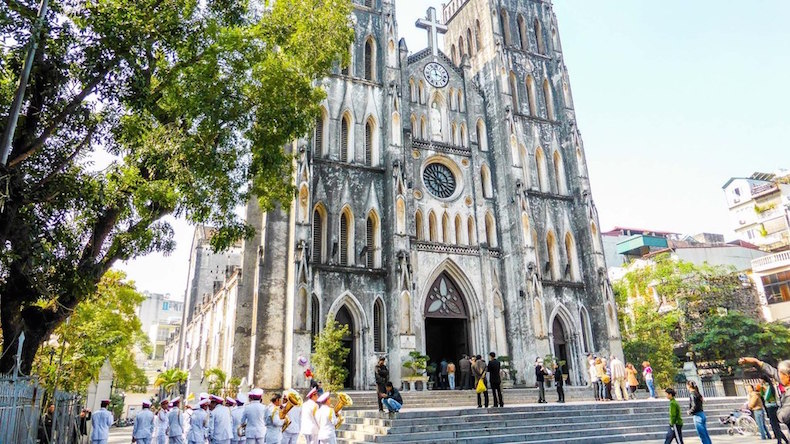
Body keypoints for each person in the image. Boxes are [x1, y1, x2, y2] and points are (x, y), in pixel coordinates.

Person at [761, 374, 789, 444]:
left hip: (772, 407)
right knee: (775, 425)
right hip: (771, 407)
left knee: (775, 425)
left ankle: (780, 440)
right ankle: (784, 440)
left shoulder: (769, 387)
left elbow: (766, 398)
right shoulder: (767, 387)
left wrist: (762, 390)